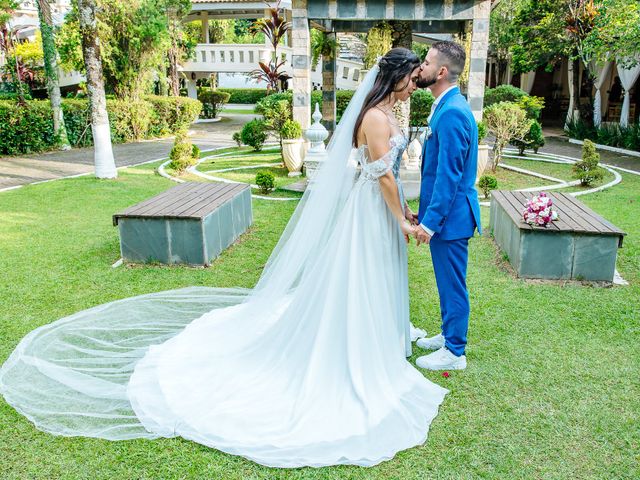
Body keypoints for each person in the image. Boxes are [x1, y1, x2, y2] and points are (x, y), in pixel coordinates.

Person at [0, 48, 448, 468]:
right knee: (357, 279)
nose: (414, 84)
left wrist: (404, 213)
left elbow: (389, 176)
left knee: (376, 278)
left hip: (382, 211)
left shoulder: (390, 110)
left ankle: (376, 339)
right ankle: (351, 348)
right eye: (411, 78)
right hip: (369, 213)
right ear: (393, 77)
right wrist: (404, 219)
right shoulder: (372, 115)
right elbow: (383, 175)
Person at [411, 41, 482, 371]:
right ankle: (448, 334)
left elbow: (448, 176)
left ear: (441, 71)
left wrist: (430, 223)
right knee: (446, 280)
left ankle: (455, 351)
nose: (420, 68)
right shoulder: (446, 105)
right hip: (447, 217)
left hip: (452, 219)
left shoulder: (452, 112)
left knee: (453, 283)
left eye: (426, 63)